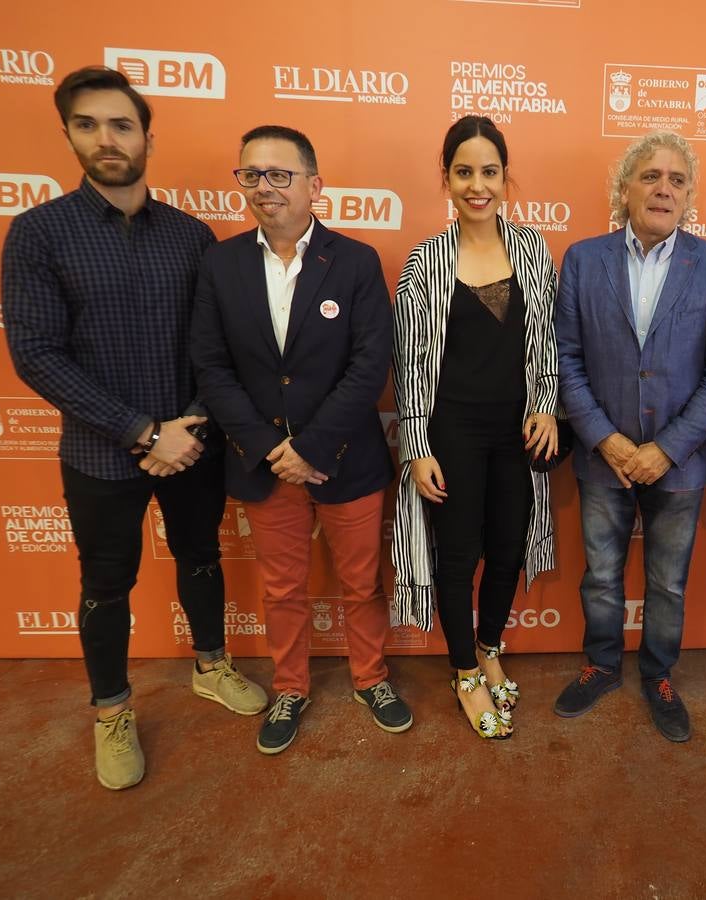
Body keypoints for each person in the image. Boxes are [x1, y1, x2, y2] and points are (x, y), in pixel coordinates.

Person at [1, 66, 266, 791]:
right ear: (70, 136)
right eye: (88, 124)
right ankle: (112, 711)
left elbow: (214, 346)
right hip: (100, 452)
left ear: (147, 136)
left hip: (193, 444)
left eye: (121, 124)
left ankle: (211, 666)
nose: (106, 139)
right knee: (106, 584)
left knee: (200, 557)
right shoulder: (37, 234)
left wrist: (194, 425)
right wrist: (142, 432)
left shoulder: (191, 236)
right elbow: (36, 355)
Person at [192, 125, 410, 755]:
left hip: (348, 458)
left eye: (279, 174)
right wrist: (270, 449)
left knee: (363, 582)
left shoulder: (356, 261)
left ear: (314, 185)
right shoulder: (221, 263)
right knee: (283, 590)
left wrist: (312, 447)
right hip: (264, 467)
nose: (264, 187)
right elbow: (211, 367)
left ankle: (372, 677)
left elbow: (372, 364)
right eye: (251, 174)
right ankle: (291, 684)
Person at [554, 131, 706, 743]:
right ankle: (601, 665)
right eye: (650, 176)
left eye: (677, 180)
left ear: (688, 197)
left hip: (679, 464)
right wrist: (607, 440)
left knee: (667, 582)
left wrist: (666, 448)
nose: (663, 188)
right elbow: (565, 360)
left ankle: (660, 675)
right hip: (600, 455)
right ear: (625, 188)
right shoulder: (584, 259)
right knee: (602, 575)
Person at [392, 115, 559, 740]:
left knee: (509, 549)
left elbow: (546, 341)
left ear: (505, 178)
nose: (477, 184)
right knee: (458, 556)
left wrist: (544, 403)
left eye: (489, 171)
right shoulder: (423, 262)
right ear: (447, 179)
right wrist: (415, 446)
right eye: (464, 172)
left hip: (518, 432)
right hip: (452, 433)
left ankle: (490, 646)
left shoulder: (533, 249)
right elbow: (408, 361)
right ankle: (464, 671)